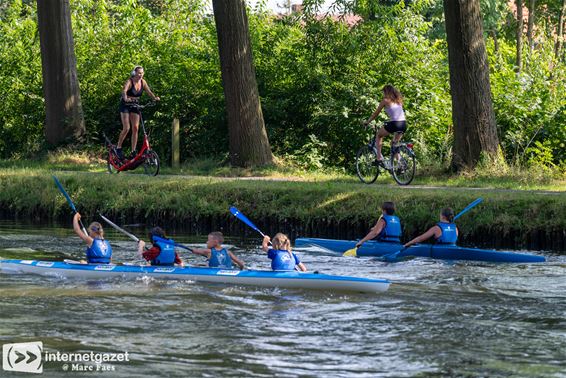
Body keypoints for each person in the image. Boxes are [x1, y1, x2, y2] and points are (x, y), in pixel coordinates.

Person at [117, 66, 160, 160]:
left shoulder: (143, 82)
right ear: (134, 73)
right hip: (126, 104)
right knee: (127, 128)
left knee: (136, 128)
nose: (141, 75)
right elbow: (124, 91)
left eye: (142, 73)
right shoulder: (130, 81)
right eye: (139, 73)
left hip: (135, 105)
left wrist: (154, 98)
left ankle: (133, 151)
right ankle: (118, 148)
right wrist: (125, 98)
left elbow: (149, 92)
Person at [364, 85, 407, 165]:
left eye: (383, 92)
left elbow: (376, 113)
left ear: (386, 92)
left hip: (395, 123)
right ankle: (400, 164)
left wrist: (368, 121)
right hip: (403, 124)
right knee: (394, 144)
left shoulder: (385, 100)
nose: (383, 94)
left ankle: (379, 158)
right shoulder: (398, 100)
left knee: (379, 135)